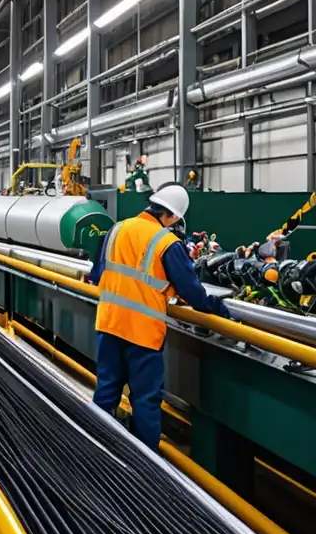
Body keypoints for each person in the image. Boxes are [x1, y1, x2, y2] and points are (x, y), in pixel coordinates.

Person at [90, 183, 231, 451]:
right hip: (142, 334)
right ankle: (145, 465)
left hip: (108, 324)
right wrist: (220, 309)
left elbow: (97, 274)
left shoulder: (116, 229)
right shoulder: (167, 243)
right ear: (175, 217)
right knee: (145, 399)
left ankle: (96, 448)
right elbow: (193, 293)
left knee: (106, 390)